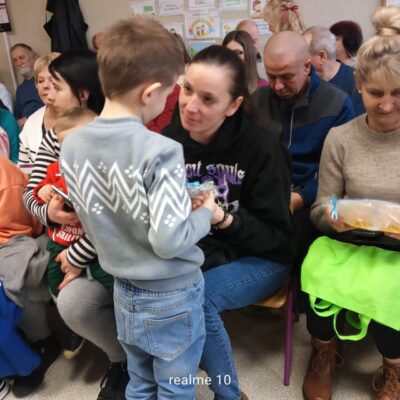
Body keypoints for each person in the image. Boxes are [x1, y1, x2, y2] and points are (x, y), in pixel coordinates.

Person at [60, 17, 216, 400]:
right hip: (171, 295)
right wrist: (205, 214)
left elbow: (106, 208)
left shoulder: (73, 144)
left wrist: (176, 198)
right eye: (170, 92)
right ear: (150, 93)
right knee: (176, 386)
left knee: (141, 380)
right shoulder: (160, 150)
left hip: (123, 290)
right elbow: (168, 241)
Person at [163, 44, 294, 400]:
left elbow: (275, 235)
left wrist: (221, 218)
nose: (191, 106)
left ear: (233, 105)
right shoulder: (170, 140)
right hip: (199, 248)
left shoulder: (261, 146)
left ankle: (229, 395)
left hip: (263, 255)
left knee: (198, 299)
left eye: (208, 99)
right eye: (187, 90)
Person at [303, 7, 400, 400]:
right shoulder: (341, 138)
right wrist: (335, 216)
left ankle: (394, 367)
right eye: (376, 93)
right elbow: (321, 208)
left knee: (389, 286)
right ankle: (324, 351)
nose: (387, 105)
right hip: (350, 241)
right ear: (359, 86)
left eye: (398, 93)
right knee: (317, 268)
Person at [23, 50, 128, 400]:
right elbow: (30, 194)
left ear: (82, 93)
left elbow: (119, 215)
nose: (46, 92)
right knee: (65, 297)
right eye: (45, 84)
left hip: (111, 244)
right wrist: (50, 213)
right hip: (69, 234)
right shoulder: (57, 133)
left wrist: (78, 255)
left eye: (56, 86)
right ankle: (120, 358)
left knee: (119, 291)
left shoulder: (112, 134)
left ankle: (142, 358)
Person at [252, 31, 354, 273]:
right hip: (265, 195)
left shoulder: (336, 103)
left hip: (311, 199)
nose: (277, 86)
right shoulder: (258, 101)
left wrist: (299, 198)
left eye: (287, 77)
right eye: (271, 76)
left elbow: (339, 174)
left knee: (293, 238)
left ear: (307, 67)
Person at [33, 107, 114, 359]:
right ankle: (73, 326)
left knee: (114, 284)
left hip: (94, 246)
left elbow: (110, 218)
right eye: (63, 146)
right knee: (55, 286)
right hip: (60, 241)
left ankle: (129, 322)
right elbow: (38, 189)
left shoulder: (103, 168)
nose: (70, 152)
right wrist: (43, 193)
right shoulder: (56, 168)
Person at [0, 156, 62, 397]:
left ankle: (40, 343)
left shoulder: (6, 180)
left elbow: (22, 227)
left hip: (17, 238)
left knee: (14, 279)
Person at [303, 25, 365, 116]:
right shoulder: (303, 81)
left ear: (322, 56)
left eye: (302, 53)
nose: (297, 58)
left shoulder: (355, 82)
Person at [18, 52, 60, 174]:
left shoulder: (83, 118)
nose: (45, 86)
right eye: (40, 81)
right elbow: (25, 170)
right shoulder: (32, 122)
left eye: (52, 80)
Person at [10, 43, 44, 127]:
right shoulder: (20, 90)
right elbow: (18, 116)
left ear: (34, 57)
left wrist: (29, 118)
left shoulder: (46, 80)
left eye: (21, 58)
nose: (18, 63)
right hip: (27, 129)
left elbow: (52, 105)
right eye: (15, 60)